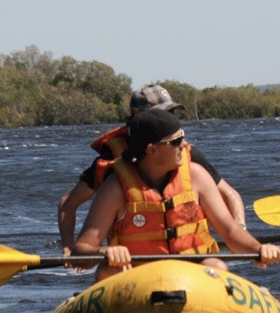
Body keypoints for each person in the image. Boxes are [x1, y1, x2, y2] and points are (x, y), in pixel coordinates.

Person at [73, 109, 280, 281]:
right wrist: (104, 252)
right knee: (109, 271)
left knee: (216, 265)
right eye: (176, 140)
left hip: (190, 272)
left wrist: (259, 248)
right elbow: (81, 250)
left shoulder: (197, 176)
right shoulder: (116, 188)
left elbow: (230, 232)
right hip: (138, 278)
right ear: (152, 150)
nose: (184, 145)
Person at [58, 84, 246, 257]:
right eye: (162, 113)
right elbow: (68, 203)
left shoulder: (181, 152)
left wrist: (239, 231)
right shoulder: (112, 158)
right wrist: (68, 246)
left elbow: (230, 194)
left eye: (171, 113)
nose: (169, 119)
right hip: (134, 262)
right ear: (137, 117)